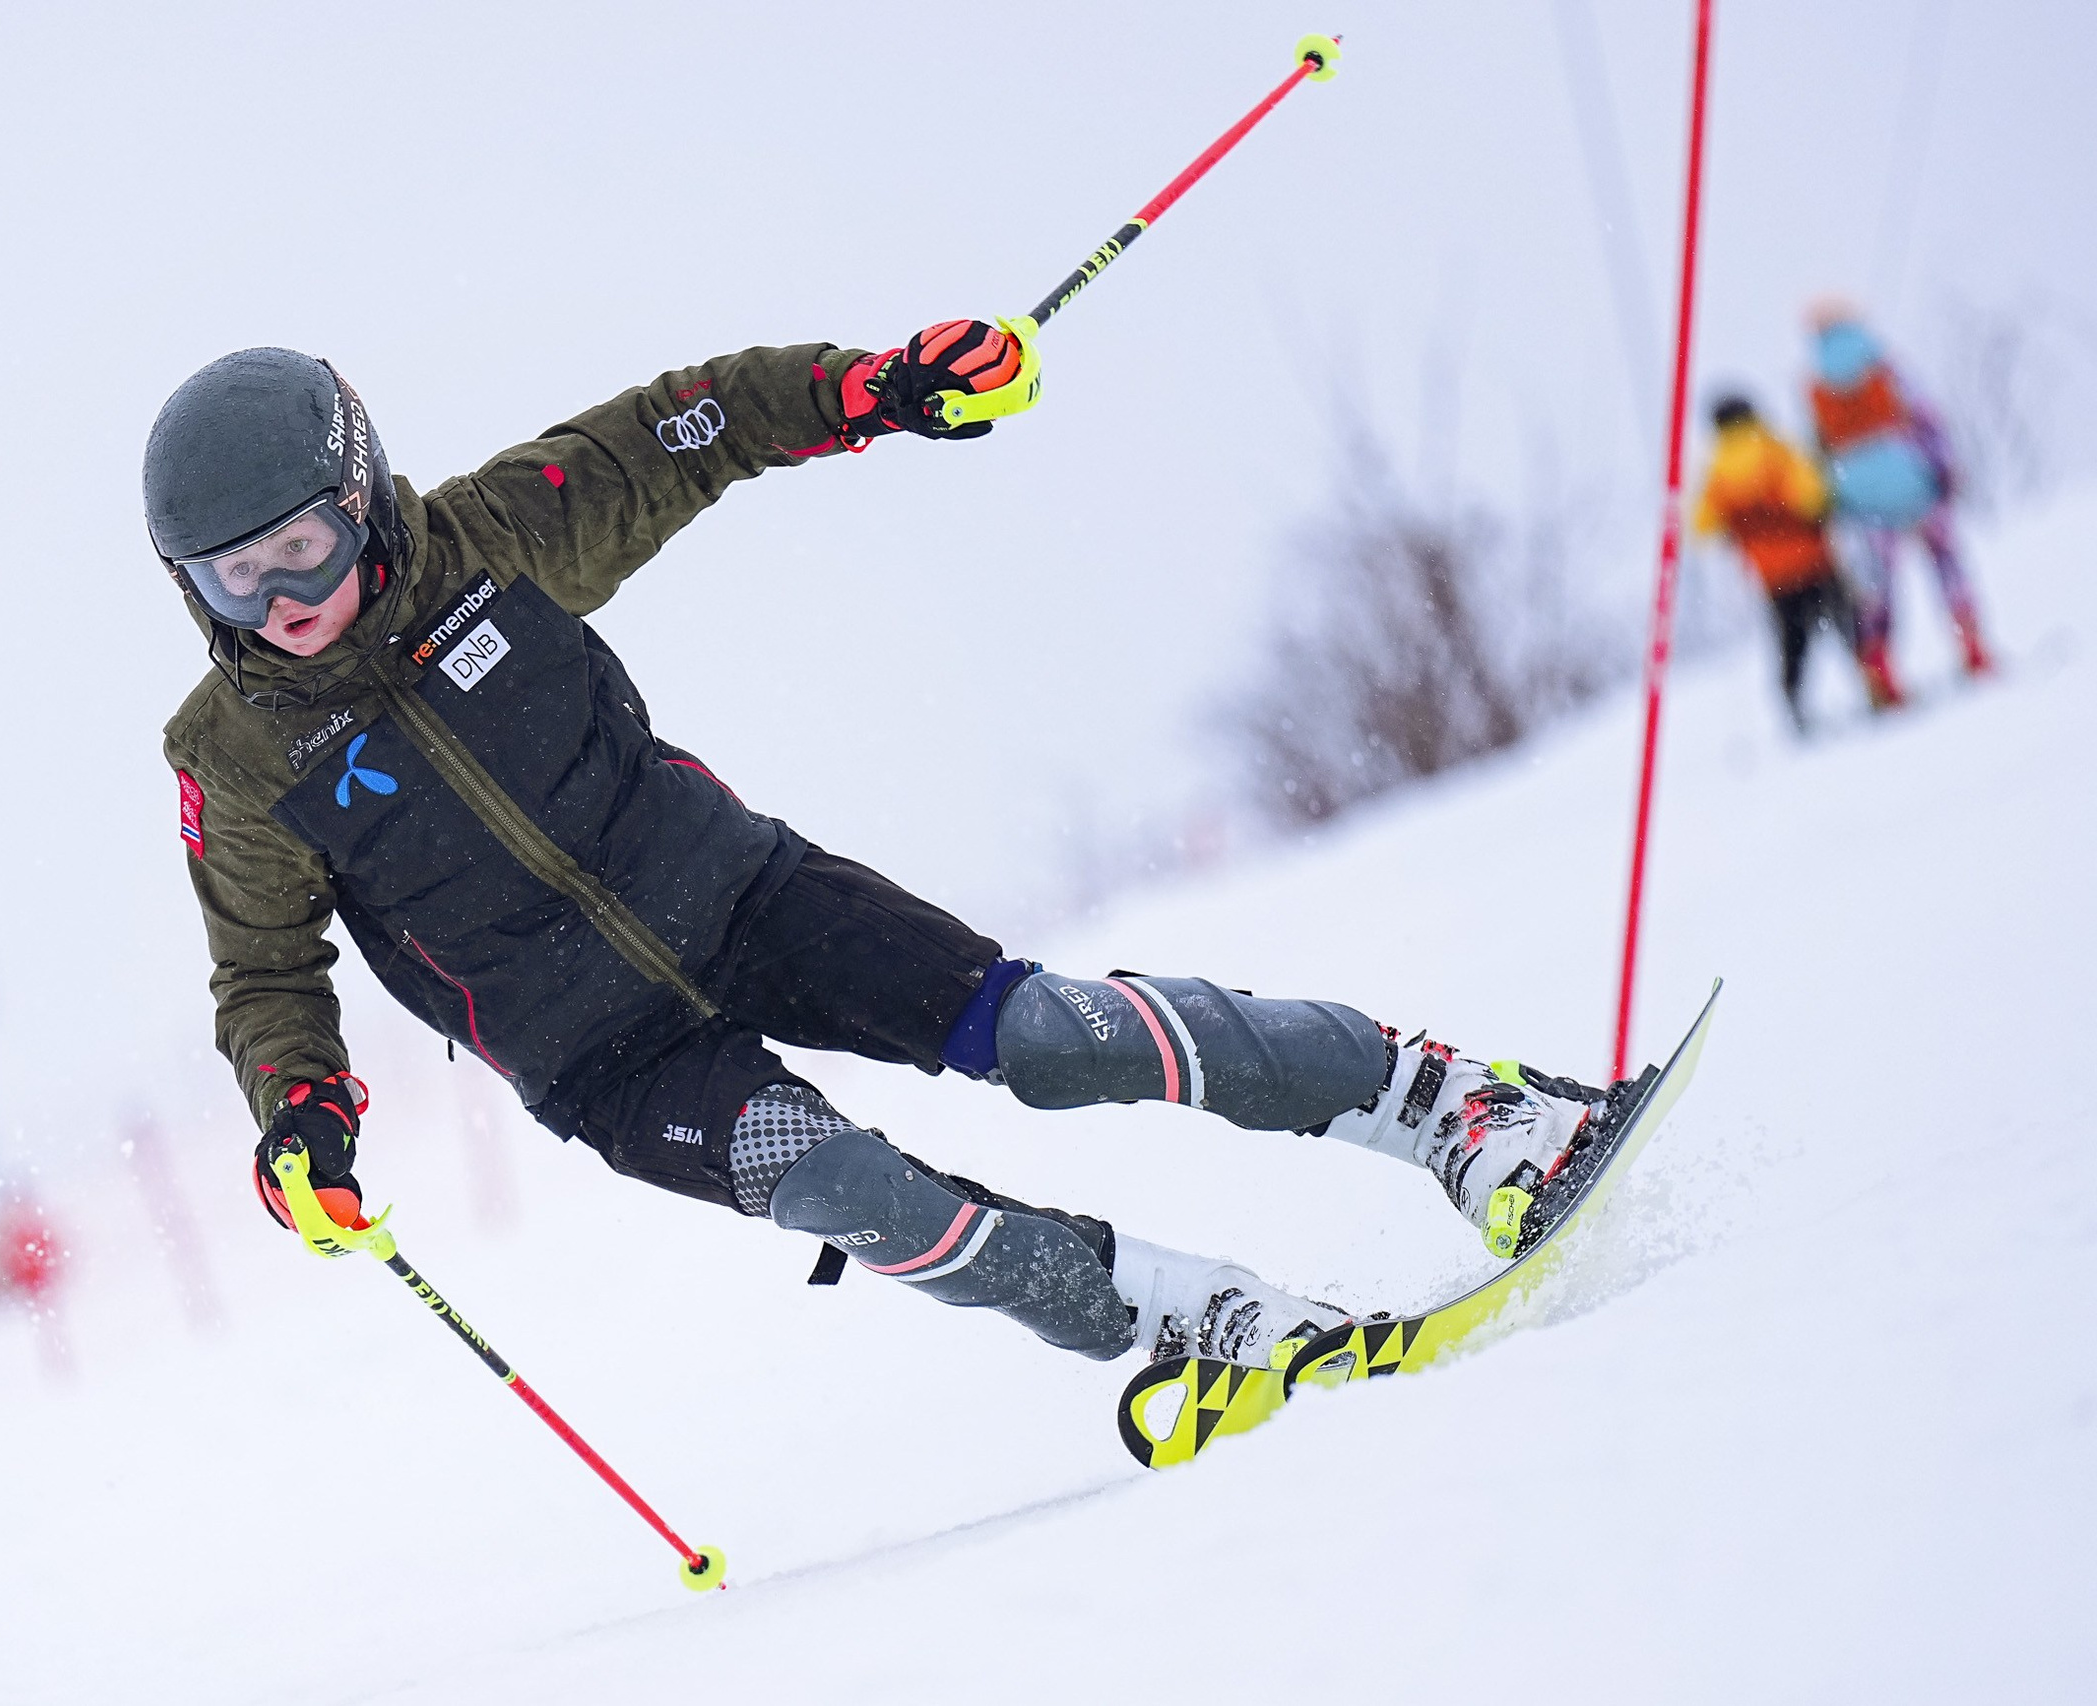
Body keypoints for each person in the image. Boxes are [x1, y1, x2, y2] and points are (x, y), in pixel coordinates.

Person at [144, 325, 1613, 1371]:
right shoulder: (235, 755)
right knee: (860, 1191)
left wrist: (884, 388)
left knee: (1049, 1036)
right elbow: (263, 971)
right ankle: (1189, 1322)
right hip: (612, 1063)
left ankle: (1460, 1110)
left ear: (364, 498)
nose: (281, 600)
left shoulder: (494, 541)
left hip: (749, 899)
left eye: (304, 551)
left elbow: (695, 421)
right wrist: (301, 1124)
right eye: (234, 576)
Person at [1806, 305, 1995, 696]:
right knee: (1947, 565)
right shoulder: (1883, 368)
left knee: (1878, 586)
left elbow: (1819, 453)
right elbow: (1926, 418)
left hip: (1863, 501)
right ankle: (1972, 646)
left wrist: (1838, 501)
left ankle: (1881, 670)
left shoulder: (1818, 387)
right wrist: (1943, 469)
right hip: (1914, 481)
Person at [1693, 392, 1870, 729]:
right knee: (1848, 622)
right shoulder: (1777, 450)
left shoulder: (1716, 473)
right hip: (1814, 560)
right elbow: (1811, 498)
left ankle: (1793, 701)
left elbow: (1702, 526)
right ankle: (1874, 679)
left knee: (1792, 640)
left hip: (1771, 576)